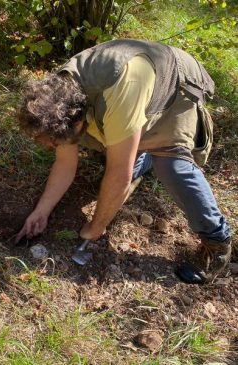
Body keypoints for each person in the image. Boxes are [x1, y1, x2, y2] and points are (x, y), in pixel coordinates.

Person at [15, 39, 232, 284]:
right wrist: (42, 211)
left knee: (171, 166)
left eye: (58, 141)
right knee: (116, 145)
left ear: (77, 120)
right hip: (132, 94)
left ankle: (217, 241)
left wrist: (96, 226)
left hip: (176, 84)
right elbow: (65, 164)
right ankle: (140, 153)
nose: (55, 146)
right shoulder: (56, 99)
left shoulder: (119, 94)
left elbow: (120, 176)